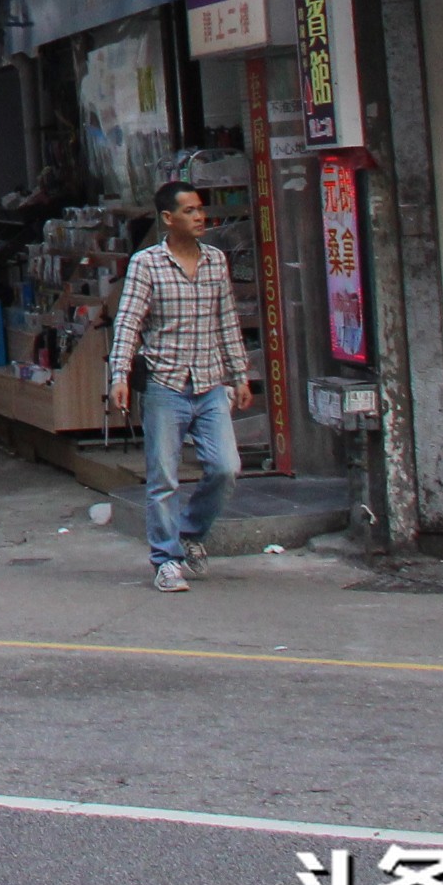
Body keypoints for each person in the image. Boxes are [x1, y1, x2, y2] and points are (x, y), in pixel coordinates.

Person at [107, 183, 255, 594]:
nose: (199, 217)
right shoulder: (147, 264)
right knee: (163, 478)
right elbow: (129, 322)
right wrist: (120, 376)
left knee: (226, 467)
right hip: (165, 384)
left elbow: (226, 320)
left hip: (209, 384)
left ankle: (190, 533)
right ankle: (165, 560)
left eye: (200, 209)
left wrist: (239, 375)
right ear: (168, 219)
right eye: (189, 211)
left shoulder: (215, 262)